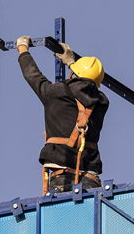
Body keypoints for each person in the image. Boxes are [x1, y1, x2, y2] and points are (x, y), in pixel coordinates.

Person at [14, 35, 109, 194]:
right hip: (91, 179)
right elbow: (85, 85)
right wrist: (72, 63)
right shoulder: (101, 103)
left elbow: (33, 75)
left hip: (62, 177)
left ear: (73, 75)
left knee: (61, 216)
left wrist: (22, 49)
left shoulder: (56, 93)